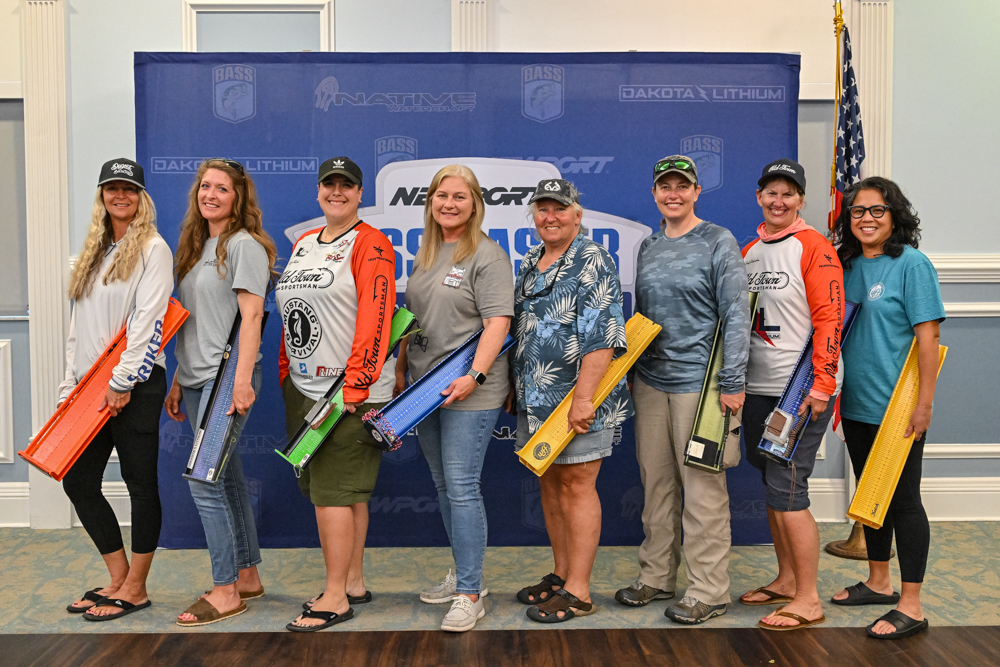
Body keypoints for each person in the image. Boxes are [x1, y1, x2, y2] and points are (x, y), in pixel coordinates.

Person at [615, 156, 750, 624]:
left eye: (682, 186)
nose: (673, 193)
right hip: (652, 383)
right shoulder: (649, 245)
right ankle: (656, 577)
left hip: (704, 385)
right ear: (654, 192)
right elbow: (644, 315)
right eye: (665, 186)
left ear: (696, 192)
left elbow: (737, 313)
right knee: (656, 486)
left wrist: (733, 382)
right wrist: (631, 370)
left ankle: (709, 590)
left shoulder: (717, 240)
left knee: (703, 490)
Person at [279, 157, 396, 632]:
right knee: (341, 494)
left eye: (346, 185)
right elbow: (291, 309)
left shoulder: (372, 243)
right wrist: (287, 371)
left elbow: (377, 314)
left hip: (348, 393)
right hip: (305, 388)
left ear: (360, 193)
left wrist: (358, 382)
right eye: (329, 184)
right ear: (318, 191)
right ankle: (351, 581)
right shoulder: (305, 243)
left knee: (333, 495)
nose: (337, 191)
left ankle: (334, 597)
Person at [395, 164, 513, 632]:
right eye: (441, 195)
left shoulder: (488, 255)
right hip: (425, 391)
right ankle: (467, 573)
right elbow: (412, 319)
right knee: (445, 486)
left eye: (460, 196)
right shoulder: (425, 253)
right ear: (430, 202)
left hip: (470, 390)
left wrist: (476, 376)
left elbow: (498, 322)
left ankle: (470, 593)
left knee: (462, 486)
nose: (449, 204)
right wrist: (401, 369)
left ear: (475, 204)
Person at [511, 179, 631, 624]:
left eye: (559, 209)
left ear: (577, 215)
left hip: (579, 399)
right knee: (551, 484)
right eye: (542, 209)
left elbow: (604, 338)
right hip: (535, 399)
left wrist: (583, 399)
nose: (550, 217)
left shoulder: (593, 258)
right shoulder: (530, 260)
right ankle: (562, 575)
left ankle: (579, 592)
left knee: (577, 486)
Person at [829, 177, 944, 639]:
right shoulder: (845, 264)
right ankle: (879, 581)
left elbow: (929, 337)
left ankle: (911, 604)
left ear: (894, 216)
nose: (867, 218)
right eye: (858, 211)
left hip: (898, 408)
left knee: (904, 501)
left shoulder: (912, 264)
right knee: (870, 494)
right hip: (855, 404)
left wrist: (924, 404)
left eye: (877, 210)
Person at [165, 158, 277, 626]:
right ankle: (247, 575)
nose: (210, 194)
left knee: (204, 480)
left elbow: (251, 316)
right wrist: (177, 377)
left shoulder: (243, 245)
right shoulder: (197, 246)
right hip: (194, 378)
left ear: (238, 197)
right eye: (205, 186)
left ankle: (226, 590)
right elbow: (198, 320)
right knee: (225, 477)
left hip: (226, 378)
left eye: (222, 188)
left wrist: (243, 380)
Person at [61, 158, 173, 620]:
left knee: (139, 484)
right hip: (90, 388)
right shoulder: (95, 250)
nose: (120, 195)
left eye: (128, 188)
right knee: (78, 480)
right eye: (112, 188)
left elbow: (148, 322)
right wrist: (70, 385)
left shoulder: (153, 248)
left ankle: (137, 588)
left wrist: (123, 381)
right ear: (102, 195)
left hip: (136, 384)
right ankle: (118, 577)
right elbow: (79, 325)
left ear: (141, 196)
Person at [738, 159, 844, 631]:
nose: (778, 201)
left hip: (797, 390)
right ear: (759, 197)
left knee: (789, 487)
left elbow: (830, 319)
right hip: (758, 388)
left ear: (801, 199)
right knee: (772, 483)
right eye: (771, 193)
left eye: (788, 194)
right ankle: (785, 580)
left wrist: (821, 384)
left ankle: (808, 597)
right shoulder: (750, 250)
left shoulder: (814, 247)